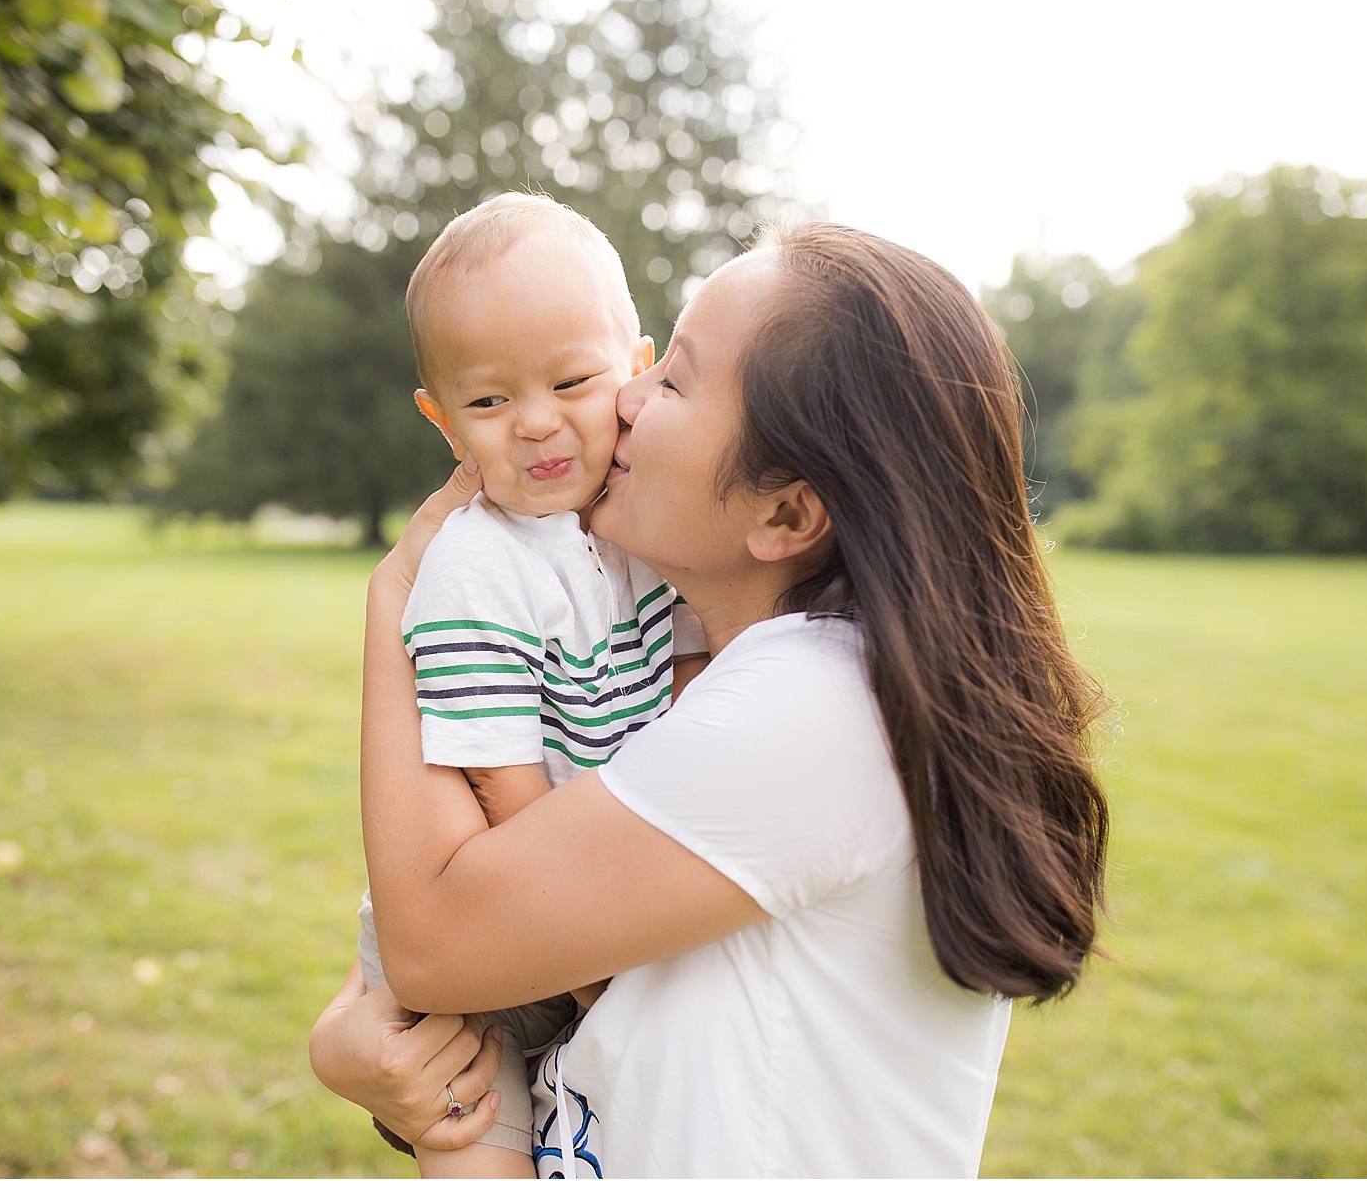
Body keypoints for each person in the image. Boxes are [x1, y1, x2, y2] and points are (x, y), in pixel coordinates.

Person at [311, 224, 1111, 1177]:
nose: (626, 397)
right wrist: (349, 1041)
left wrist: (400, 597)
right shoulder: (731, 679)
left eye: (675, 379)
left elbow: (439, 945)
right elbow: (497, 947)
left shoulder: (811, 712)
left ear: (786, 513)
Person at [352, 192, 707, 1177]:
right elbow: (499, 778)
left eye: (573, 380)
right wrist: (583, 954)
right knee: (477, 1127)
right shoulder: (477, 568)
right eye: (490, 401)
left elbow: (684, 666)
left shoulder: (640, 529)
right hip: (491, 915)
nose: (539, 424)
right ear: (442, 420)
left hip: (580, 882)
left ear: (635, 370)